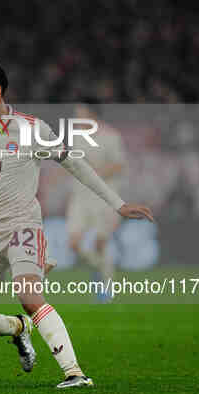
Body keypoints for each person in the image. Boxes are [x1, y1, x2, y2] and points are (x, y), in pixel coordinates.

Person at [0, 61, 153, 388]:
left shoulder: (33, 129)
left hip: (23, 230)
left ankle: (75, 373)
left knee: (28, 294)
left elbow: (76, 166)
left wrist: (118, 204)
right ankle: (18, 328)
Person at [66, 104, 127, 302]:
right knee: (74, 244)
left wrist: (95, 174)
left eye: (80, 113)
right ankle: (99, 271)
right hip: (80, 198)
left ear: (92, 114)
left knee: (100, 244)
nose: (76, 117)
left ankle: (107, 291)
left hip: (103, 198)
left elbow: (119, 166)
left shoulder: (111, 136)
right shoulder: (75, 137)